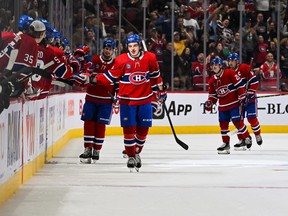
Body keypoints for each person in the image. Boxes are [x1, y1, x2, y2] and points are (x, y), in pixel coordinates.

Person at [85, 34, 166, 171]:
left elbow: (155, 76)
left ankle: (137, 152)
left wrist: (161, 91)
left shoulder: (150, 58)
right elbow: (110, 76)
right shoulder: (121, 60)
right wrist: (95, 78)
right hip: (127, 102)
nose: (133, 49)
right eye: (130, 46)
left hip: (145, 100)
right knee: (128, 131)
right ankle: (131, 156)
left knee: (143, 131)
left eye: (135, 46)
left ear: (140, 45)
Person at [78, 38, 117, 164]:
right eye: (106, 48)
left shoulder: (116, 64)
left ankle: (97, 150)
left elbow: (118, 81)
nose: (107, 51)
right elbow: (86, 74)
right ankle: (88, 148)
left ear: (113, 51)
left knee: (101, 125)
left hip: (106, 101)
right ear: (102, 49)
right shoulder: (94, 60)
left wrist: (119, 94)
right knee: (88, 123)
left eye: (110, 49)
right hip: (91, 97)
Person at [204, 57, 252, 154]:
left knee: (237, 122)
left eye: (216, 65)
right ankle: (226, 144)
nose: (214, 67)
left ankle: (247, 136)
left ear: (221, 66)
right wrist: (209, 103)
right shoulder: (212, 80)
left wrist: (242, 95)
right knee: (223, 125)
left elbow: (240, 85)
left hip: (234, 104)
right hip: (222, 107)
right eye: (212, 65)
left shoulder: (229, 73)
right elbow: (213, 96)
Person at [227, 52, 263, 147]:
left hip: (250, 99)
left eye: (232, 61)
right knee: (238, 121)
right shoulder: (229, 72)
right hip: (239, 101)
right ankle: (245, 138)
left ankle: (257, 134)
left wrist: (249, 93)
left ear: (237, 61)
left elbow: (254, 82)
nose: (230, 63)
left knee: (252, 119)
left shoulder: (244, 68)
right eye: (229, 61)